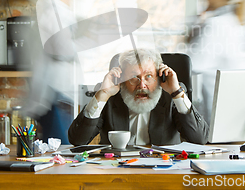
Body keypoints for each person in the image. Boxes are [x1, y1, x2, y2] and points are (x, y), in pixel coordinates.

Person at [68, 49, 209, 146]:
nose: (142, 85)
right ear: (122, 79)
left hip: (162, 170)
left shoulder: (171, 95)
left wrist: (176, 93)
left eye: (148, 76)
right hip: (116, 172)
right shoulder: (110, 96)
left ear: (159, 77)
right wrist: (102, 94)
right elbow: (77, 139)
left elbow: (200, 139)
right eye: (134, 77)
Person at [186, 0, 245, 124]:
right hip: (235, 105)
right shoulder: (235, 21)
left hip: (217, 109)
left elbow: (192, 63)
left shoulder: (215, 25)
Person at [24, 0, 78, 143]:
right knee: (60, 148)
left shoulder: (55, 10)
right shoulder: (52, 12)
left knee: (57, 147)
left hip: (56, 90)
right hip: (52, 91)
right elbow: (62, 49)